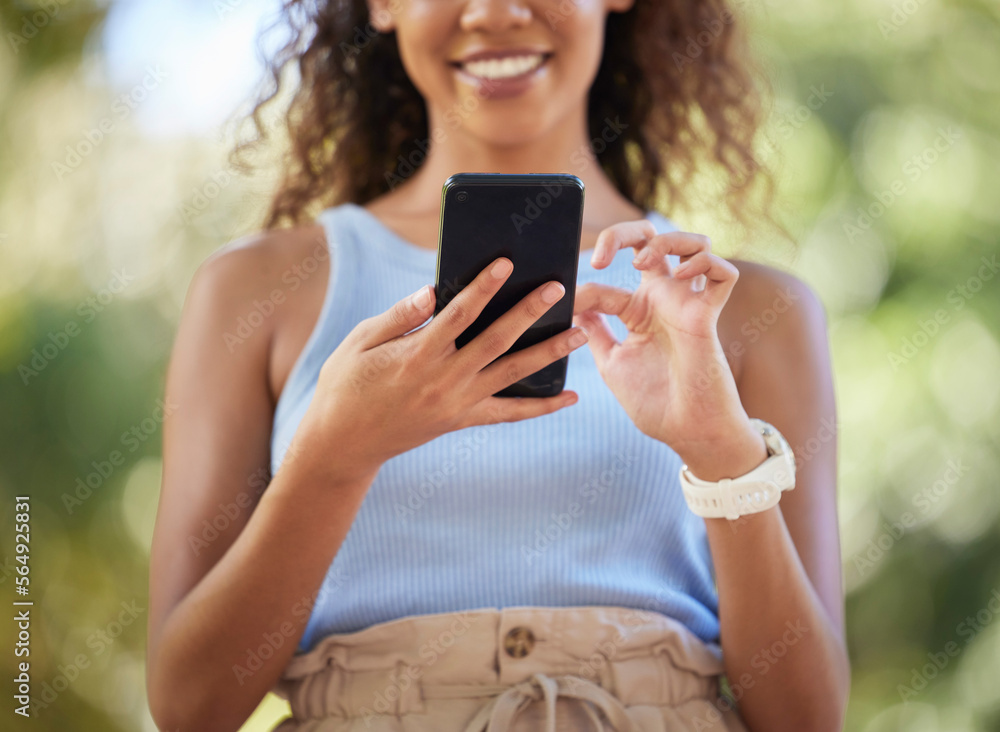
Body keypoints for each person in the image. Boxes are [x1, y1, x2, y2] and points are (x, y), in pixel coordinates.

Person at [145, 1, 850, 730]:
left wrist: (720, 454)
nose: (494, 11)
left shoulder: (748, 310)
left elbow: (806, 716)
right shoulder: (256, 293)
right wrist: (332, 460)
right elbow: (190, 706)